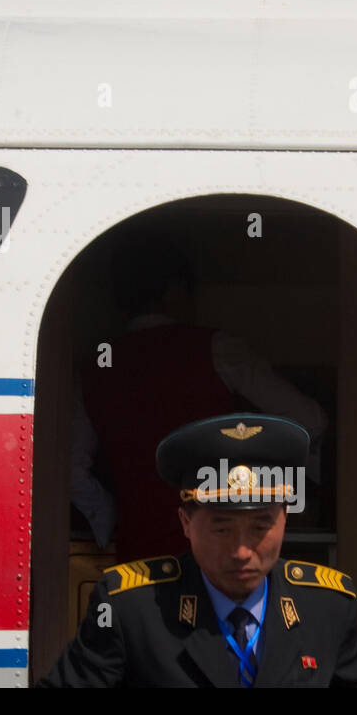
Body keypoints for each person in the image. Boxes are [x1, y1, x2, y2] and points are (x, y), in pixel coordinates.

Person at [41, 413, 357, 687]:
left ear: (284, 519)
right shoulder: (131, 609)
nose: (240, 551)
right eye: (221, 528)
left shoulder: (327, 607)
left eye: (260, 527)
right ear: (185, 522)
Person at [72, 232, 328, 560]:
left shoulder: (94, 369)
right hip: (221, 553)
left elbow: (73, 470)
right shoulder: (217, 349)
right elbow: (311, 420)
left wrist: (109, 518)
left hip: (137, 551)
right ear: (175, 290)